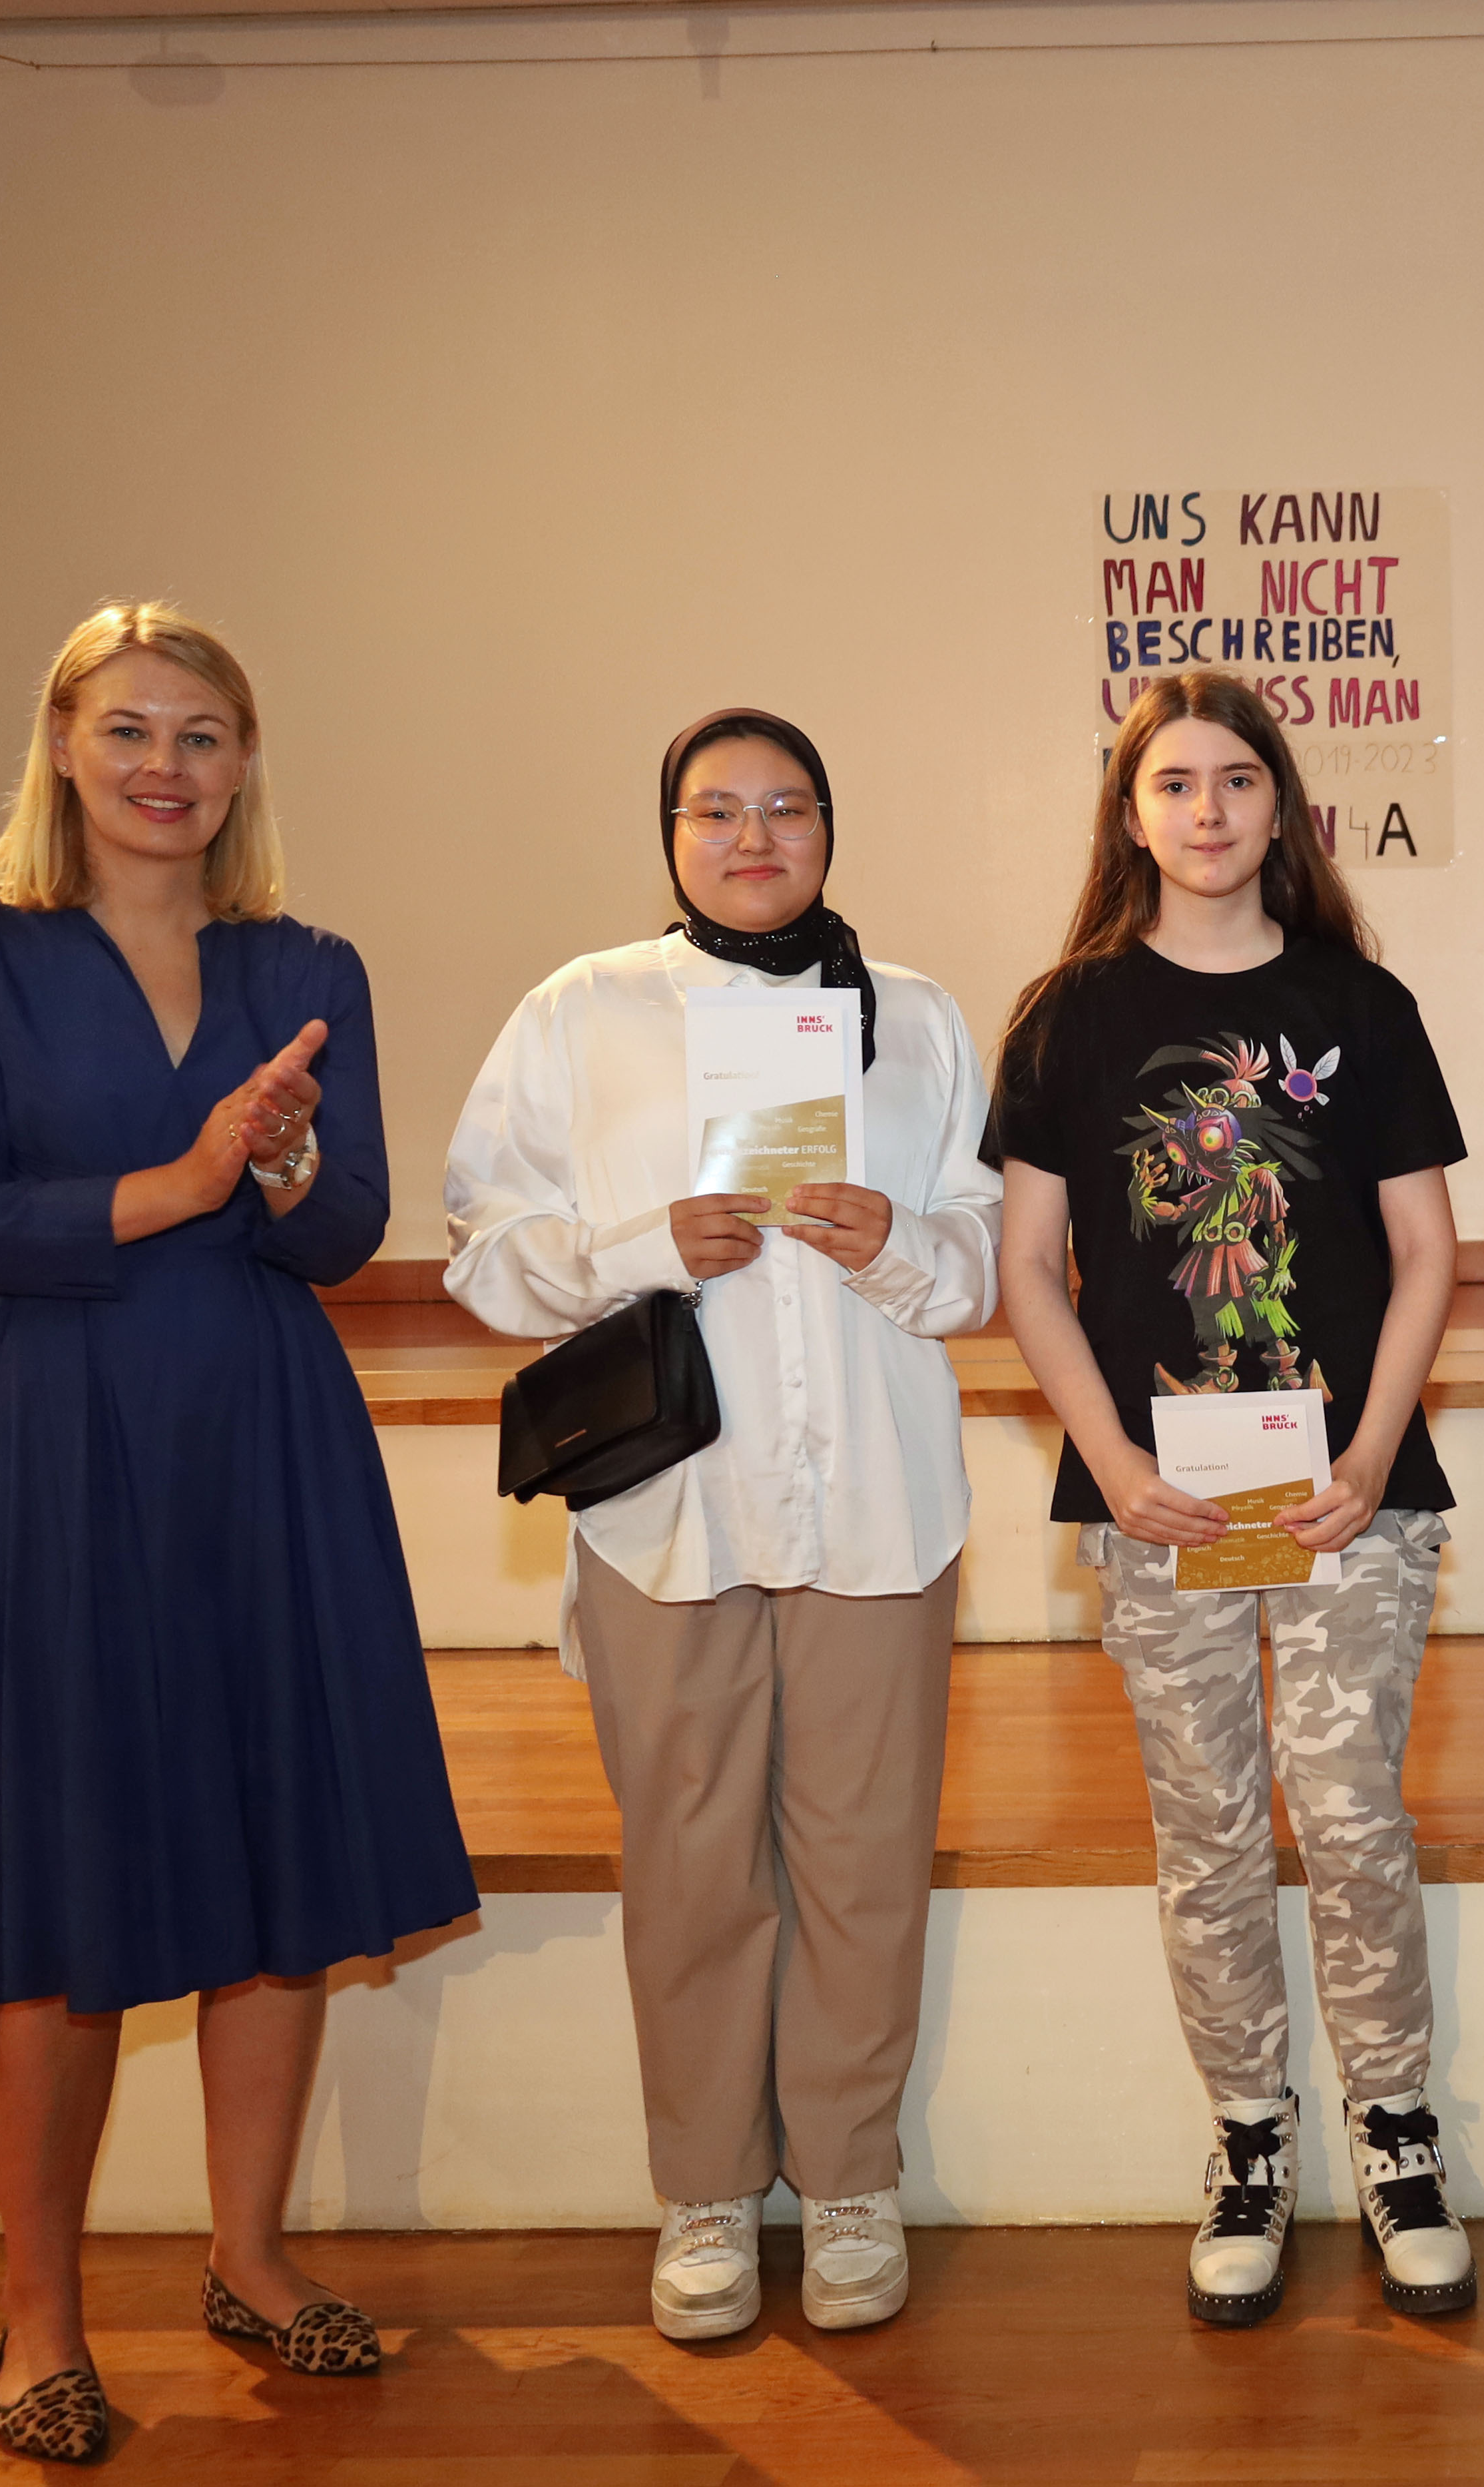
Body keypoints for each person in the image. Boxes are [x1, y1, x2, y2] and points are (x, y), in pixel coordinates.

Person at [0, 603, 478, 2464]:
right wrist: (183, 1181)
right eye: (130, 730)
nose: (165, 768)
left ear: (243, 765)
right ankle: (37, 2318)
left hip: (264, 1435)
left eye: (203, 736)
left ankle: (251, 2255)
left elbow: (343, 1227)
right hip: (60, 1444)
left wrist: (288, 1175)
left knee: (279, 1869)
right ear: (62, 745)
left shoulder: (307, 959)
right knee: (58, 1910)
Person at [443, 708, 1001, 2345]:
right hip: (667, 1508)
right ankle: (702, 2187)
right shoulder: (583, 1009)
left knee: (861, 1857)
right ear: (671, 834)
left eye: (787, 807)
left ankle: (844, 2183)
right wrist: (643, 1239)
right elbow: (482, 1245)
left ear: (831, 827)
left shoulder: (913, 1017)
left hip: (880, 1507)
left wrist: (897, 1237)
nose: (754, 837)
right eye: (716, 810)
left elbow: (982, 1258)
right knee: (688, 1859)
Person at [985, 671, 1475, 2327]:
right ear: (1132, 813)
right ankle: (1250, 2139)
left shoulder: (1363, 1004)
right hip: (1160, 1501)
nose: (1206, 808)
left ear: (1281, 807)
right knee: (1206, 1831)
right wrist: (1116, 1464)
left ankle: (1397, 2132)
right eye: (1172, 782)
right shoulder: (1064, 1015)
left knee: (1347, 1820)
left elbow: (1427, 1254)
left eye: (1236, 779)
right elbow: (1031, 1276)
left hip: (1349, 1497)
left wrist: (1362, 1457)